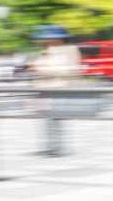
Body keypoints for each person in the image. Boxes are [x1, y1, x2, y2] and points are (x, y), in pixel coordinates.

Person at [29, 25, 82, 157]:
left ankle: (58, 148)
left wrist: (42, 68)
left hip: (60, 88)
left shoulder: (71, 50)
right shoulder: (47, 51)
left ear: (60, 39)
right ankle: (49, 147)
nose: (45, 42)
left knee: (57, 120)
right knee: (45, 120)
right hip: (44, 89)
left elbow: (71, 70)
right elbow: (38, 65)